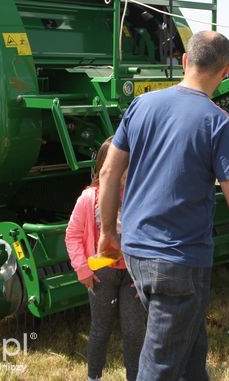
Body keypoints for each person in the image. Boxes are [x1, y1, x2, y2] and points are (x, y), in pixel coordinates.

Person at [97, 31, 229, 380]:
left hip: (137, 250)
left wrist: (108, 231)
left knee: (190, 350)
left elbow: (108, 171)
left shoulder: (142, 105)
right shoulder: (219, 124)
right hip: (179, 261)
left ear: (185, 61)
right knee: (160, 366)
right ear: (227, 70)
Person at [65, 137, 145, 381]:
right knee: (100, 329)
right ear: (104, 167)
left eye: (128, 164)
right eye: (119, 164)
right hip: (102, 275)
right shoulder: (89, 198)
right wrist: (83, 270)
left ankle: (135, 376)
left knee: (134, 331)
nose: (125, 171)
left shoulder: (139, 196)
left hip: (132, 277)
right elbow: (73, 235)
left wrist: (144, 272)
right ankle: (94, 376)